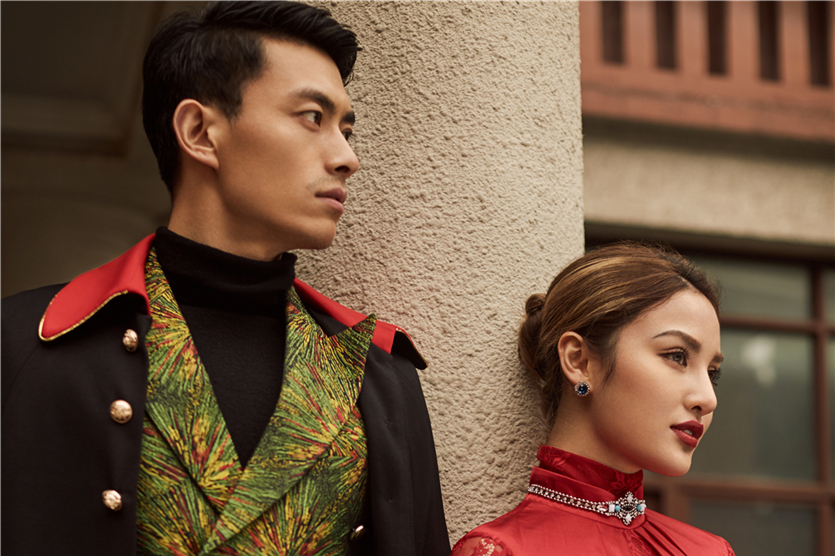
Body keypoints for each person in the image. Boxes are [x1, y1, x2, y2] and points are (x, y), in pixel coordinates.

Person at [2, 3, 449, 555]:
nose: (346, 157)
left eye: (347, 129)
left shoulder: (380, 375)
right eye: (313, 117)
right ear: (200, 132)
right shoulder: (21, 346)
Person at [451, 243, 734, 556]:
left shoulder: (711, 551)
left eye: (712, 373)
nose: (708, 399)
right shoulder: (501, 551)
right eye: (677, 356)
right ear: (579, 361)